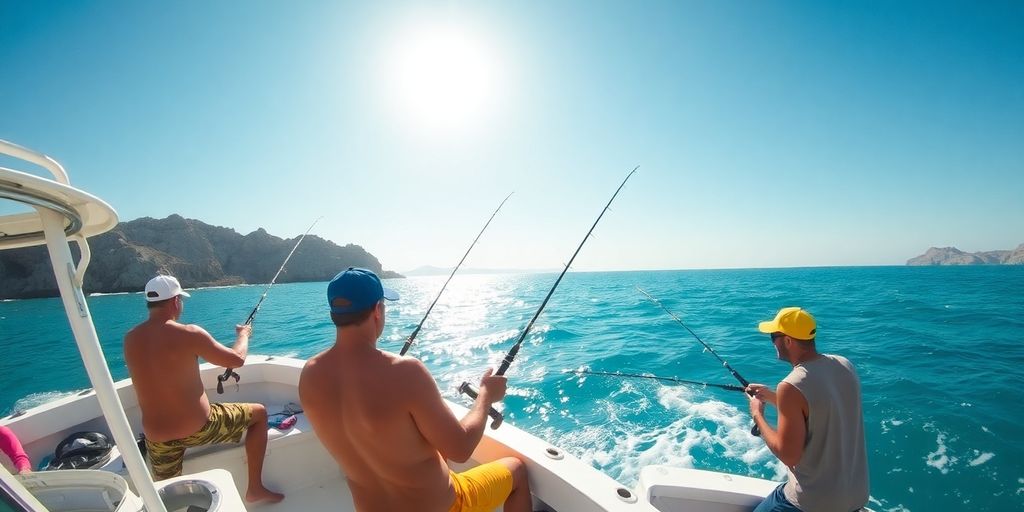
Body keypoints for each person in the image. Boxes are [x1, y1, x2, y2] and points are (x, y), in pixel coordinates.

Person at [299, 267, 531, 512]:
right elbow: (460, 449)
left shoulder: (310, 374)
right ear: (377, 310)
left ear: (334, 313)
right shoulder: (405, 372)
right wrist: (486, 395)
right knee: (517, 470)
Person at [123, 275, 283, 504]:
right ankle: (255, 488)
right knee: (259, 414)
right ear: (175, 301)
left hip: (157, 439)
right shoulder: (189, 333)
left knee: (166, 497)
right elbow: (236, 359)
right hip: (201, 427)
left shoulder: (130, 339)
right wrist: (243, 335)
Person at [746, 307, 869, 512]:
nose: (773, 343)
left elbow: (789, 455)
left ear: (787, 341)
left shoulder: (791, 385)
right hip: (856, 496)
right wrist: (772, 396)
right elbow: (818, 410)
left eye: (773, 337)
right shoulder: (844, 364)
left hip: (814, 503)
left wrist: (757, 414)